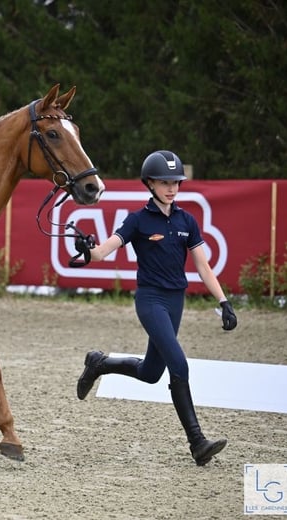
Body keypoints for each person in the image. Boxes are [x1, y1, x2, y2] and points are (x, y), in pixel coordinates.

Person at [74, 150, 237, 466]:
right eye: (164, 182)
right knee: (179, 364)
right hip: (150, 301)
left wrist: (224, 301)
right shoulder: (138, 220)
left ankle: (99, 363)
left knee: (151, 373)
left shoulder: (187, 221)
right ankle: (197, 443)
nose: (172, 188)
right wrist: (87, 249)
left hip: (176, 301)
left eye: (175, 182)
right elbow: (103, 252)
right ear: (149, 183)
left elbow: (203, 266)